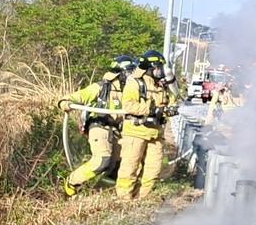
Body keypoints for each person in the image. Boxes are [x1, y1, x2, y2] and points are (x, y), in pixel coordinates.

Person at [56, 54, 135, 197]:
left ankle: (100, 192)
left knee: (117, 164)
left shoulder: (129, 91)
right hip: (99, 126)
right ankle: (72, 183)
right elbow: (78, 96)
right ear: (120, 73)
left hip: (117, 129)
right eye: (129, 72)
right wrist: (65, 102)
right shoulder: (101, 87)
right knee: (102, 160)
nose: (131, 76)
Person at [116, 50, 176, 198]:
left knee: (153, 170)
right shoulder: (135, 82)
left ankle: (142, 199)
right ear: (150, 67)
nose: (161, 71)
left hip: (155, 134)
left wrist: (170, 109)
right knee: (130, 168)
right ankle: (124, 200)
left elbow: (169, 101)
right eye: (158, 67)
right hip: (135, 133)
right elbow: (128, 105)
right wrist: (150, 109)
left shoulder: (160, 86)